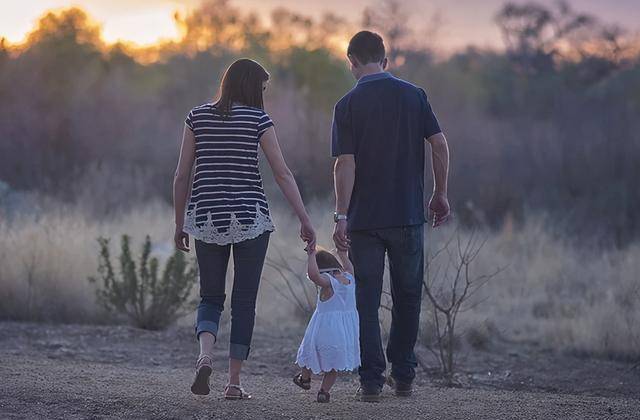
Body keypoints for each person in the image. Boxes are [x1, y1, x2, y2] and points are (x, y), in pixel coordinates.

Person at [173, 58, 316, 399]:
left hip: (206, 218)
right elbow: (282, 173)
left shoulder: (197, 117)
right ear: (252, 87)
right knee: (244, 301)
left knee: (210, 296)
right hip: (250, 218)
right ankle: (233, 383)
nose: (264, 94)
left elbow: (181, 175)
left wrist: (180, 223)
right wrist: (304, 218)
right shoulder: (258, 120)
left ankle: (205, 356)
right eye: (262, 88)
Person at [331, 31, 451, 402]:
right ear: (385, 60)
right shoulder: (414, 96)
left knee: (366, 300)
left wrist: (341, 215)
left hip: (365, 221)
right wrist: (440, 193)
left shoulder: (346, 104)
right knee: (408, 296)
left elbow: (344, 164)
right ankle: (404, 377)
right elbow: (440, 144)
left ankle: (370, 381)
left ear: (351, 61)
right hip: (408, 216)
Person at [293, 246, 360, 403]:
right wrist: (342, 253)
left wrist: (311, 256)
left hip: (324, 329)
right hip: (344, 332)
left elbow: (313, 275)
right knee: (333, 365)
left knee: (309, 352)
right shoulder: (349, 278)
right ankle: (324, 391)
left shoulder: (328, 283)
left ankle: (305, 379)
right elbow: (349, 266)